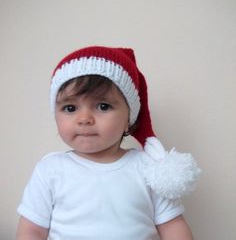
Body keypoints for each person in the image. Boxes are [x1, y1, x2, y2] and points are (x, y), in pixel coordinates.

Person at [16, 46, 201, 240]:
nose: (84, 118)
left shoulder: (149, 168)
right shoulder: (50, 169)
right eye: (70, 108)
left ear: (129, 120)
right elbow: (32, 231)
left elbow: (173, 227)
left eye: (103, 106)